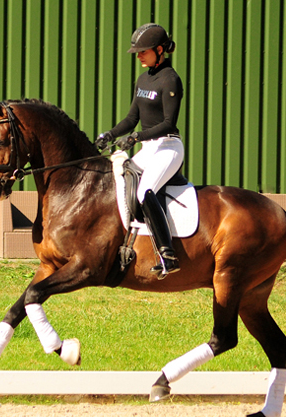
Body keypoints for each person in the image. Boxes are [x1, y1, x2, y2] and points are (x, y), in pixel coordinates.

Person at [95, 23, 184, 279]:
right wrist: (110, 134)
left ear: (159, 50)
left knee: (146, 191)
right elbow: (131, 117)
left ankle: (168, 254)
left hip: (168, 146)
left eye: (143, 51)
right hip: (148, 146)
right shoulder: (143, 79)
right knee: (120, 183)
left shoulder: (170, 79)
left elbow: (168, 123)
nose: (139, 55)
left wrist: (136, 137)